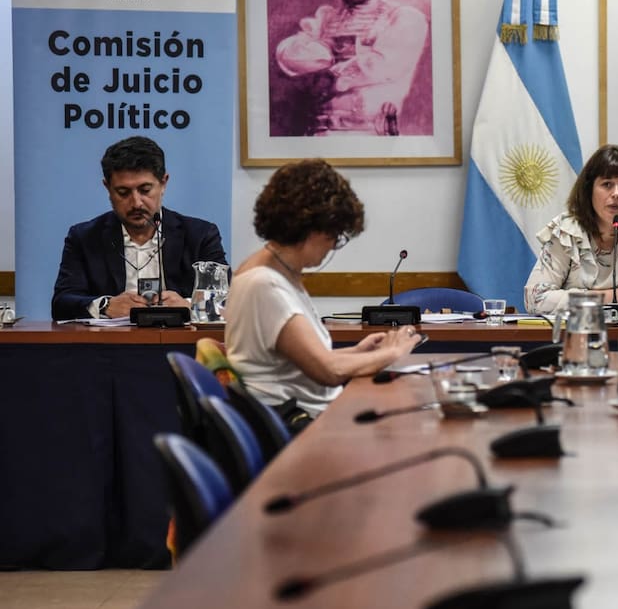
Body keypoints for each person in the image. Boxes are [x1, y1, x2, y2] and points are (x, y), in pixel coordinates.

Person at [223, 159, 423, 426]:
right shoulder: (265, 284)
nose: (332, 246)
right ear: (311, 228)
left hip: (299, 414)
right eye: (334, 235)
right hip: (297, 425)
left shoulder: (270, 269)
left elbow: (294, 365)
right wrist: (393, 353)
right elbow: (328, 372)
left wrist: (360, 352)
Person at [274, 0, 430, 136]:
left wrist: (329, 74)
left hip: (371, 143)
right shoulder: (325, 18)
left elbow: (380, 65)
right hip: (315, 141)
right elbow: (287, 53)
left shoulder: (404, 18)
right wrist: (329, 55)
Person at [51, 136, 227, 321]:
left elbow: (226, 302)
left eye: (145, 190)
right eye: (123, 192)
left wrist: (189, 306)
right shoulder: (84, 237)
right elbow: (61, 304)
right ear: (107, 188)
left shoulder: (200, 235)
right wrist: (106, 306)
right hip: (110, 346)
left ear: (164, 183)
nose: (136, 203)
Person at [524, 145, 618, 314]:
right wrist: (608, 298)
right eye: (607, 184)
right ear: (589, 190)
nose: (616, 194)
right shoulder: (567, 232)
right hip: (577, 334)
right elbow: (535, 299)